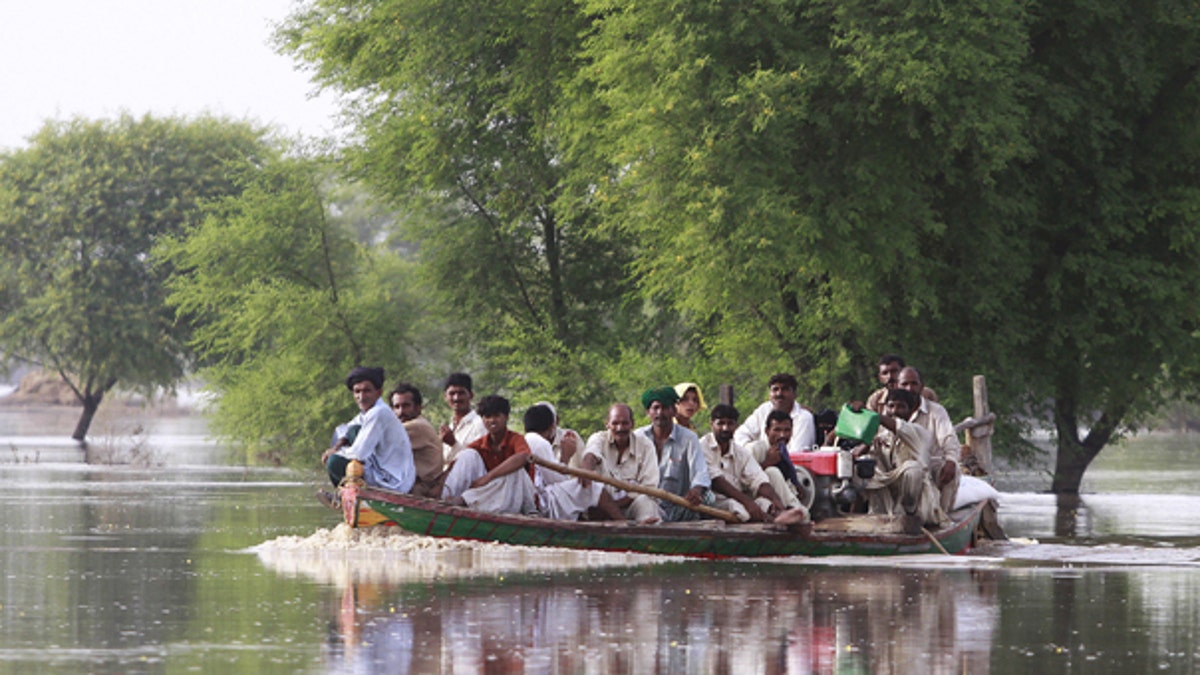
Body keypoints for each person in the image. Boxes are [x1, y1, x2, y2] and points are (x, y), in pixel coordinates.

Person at [319, 367, 416, 506]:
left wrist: (335, 453)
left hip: (394, 481)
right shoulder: (366, 413)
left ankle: (348, 499)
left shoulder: (379, 412)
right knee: (353, 431)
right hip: (381, 470)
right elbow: (345, 430)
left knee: (334, 462)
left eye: (367, 390)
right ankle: (347, 497)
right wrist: (337, 446)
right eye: (357, 391)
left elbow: (359, 454)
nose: (361, 396)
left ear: (379, 392)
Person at [853, 388, 947, 531]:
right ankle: (872, 514)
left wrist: (871, 414)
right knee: (865, 463)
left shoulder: (918, 431)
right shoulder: (882, 434)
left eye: (901, 406)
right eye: (891, 406)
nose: (895, 411)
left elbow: (897, 426)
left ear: (910, 412)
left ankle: (909, 515)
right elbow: (858, 454)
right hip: (888, 499)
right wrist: (868, 445)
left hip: (918, 505)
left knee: (912, 468)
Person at [700, 404, 799, 523]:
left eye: (730, 423)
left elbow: (758, 479)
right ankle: (773, 521)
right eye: (720, 423)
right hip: (711, 501)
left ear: (736, 426)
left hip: (738, 498)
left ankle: (782, 517)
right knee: (737, 507)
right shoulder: (702, 446)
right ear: (711, 424)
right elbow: (717, 482)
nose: (725, 428)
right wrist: (748, 503)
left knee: (766, 503)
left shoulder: (740, 452)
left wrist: (777, 503)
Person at [440, 395, 537, 514]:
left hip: (518, 497)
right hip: (492, 499)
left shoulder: (516, 439)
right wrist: (438, 484)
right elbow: (457, 464)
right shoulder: (481, 443)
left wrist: (487, 478)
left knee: (515, 470)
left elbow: (522, 457)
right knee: (467, 455)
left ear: (506, 417)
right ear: (482, 419)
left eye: (496, 416)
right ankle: (444, 498)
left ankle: (465, 500)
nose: (492, 420)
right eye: (487, 416)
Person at [523, 404, 622, 520]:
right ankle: (623, 522)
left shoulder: (526, 439)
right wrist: (565, 457)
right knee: (593, 488)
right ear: (552, 427)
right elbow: (557, 481)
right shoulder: (539, 443)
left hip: (535, 499)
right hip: (540, 503)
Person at [635, 386, 712, 522]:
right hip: (646, 506)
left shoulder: (689, 438)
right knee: (644, 503)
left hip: (678, 507)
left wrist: (696, 490)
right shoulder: (638, 438)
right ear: (648, 412)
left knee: (709, 498)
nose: (660, 412)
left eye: (665, 407)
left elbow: (701, 473)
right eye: (656, 408)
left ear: (674, 411)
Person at [896, 367, 961, 513]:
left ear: (921, 386)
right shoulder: (891, 410)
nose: (909, 388)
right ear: (897, 386)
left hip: (930, 466)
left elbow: (949, 438)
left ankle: (941, 517)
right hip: (899, 468)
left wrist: (951, 461)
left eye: (914, 384)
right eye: (904, 384)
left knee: (952, 470)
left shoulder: (936, 411)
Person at [581, 403, 661, 522]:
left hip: (631, 507)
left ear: (632, 424)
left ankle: (646, 535)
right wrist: (586, 472)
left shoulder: (645, 445)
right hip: (601, 510)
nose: (620, 428)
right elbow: (590, 454)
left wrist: (614, 506)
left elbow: (648, 487)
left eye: (624, 423)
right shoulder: (598, 439)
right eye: (615, 423)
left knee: (647, 502)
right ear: (607, 423)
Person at [733, 373, 817, 456]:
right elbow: (740, 435)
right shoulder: (764, 410)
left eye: (785, 389)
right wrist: (753, 452)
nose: (779, 394)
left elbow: (796, 453)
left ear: (795, 394)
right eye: (775, 389)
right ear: (769, 394)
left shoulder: (804, 418)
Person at [742, 410, 808, 509]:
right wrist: (767, 463)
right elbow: (743, 482)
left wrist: (796, 485)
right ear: (767, 431)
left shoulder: (782, 450)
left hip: (779, 499)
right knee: (772, 472)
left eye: (787, 430)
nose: (782, 435)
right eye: (777, 430)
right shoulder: (754, 449)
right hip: (756, 501)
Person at [389, 382, 445, 498]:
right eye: (396, 407)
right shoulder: (406, 425)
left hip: (421, 488)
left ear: (418, 408)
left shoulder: (418, 426)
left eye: (406, 406)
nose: (400, 412)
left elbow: (380, 440)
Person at [439, 372, 487, 465]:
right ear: (445, 397)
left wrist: (454, 444)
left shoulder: (479, 425)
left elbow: (479, 462)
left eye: (461, 393)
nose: (456, 398)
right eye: (452, 393)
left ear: (471, 395)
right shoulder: (450, 426)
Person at [866, 354, 938, 413]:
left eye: (894, 371)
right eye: (885, 373)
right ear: (880, 377)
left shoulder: (926, 394)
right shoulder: (876, 400)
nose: (890, 377)